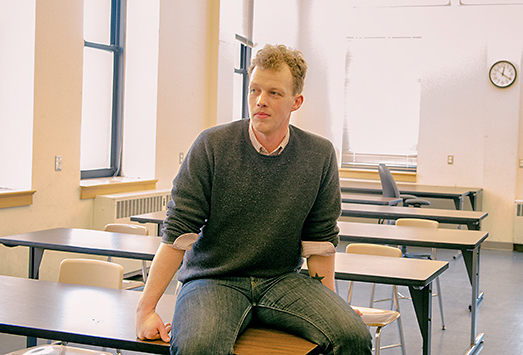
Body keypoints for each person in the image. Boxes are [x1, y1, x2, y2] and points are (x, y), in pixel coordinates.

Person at [135, 44, 372, 354]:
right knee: (197, 347)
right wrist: (146, 308)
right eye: (255, 90)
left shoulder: (319, 155)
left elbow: (320, 242)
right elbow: (178, 233)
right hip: (213, 279)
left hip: (281, 280)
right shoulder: (212, 146)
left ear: (295, 102)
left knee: (352, 335)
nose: (261, 101)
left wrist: (330, 305)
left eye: (274, 93)